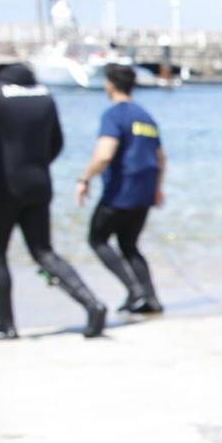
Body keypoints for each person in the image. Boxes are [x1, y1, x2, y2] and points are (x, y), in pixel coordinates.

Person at [0, 63, 107, 340]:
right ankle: (92, 304)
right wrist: (35, 167)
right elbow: (57, 142)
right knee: (43, 251)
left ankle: (6, 325)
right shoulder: (43, 95)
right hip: (38, 183)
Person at [75, 64, 166, 315]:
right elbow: (161, 158)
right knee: (129, 244)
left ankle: (134, 289)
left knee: (97, 239)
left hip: (120, 191)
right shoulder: (146, 116)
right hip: (145, 191)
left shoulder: (114, 115)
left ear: (110, 85)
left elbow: (104, 155)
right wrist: (157, 189)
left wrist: (84, 179)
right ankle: (150, 298)